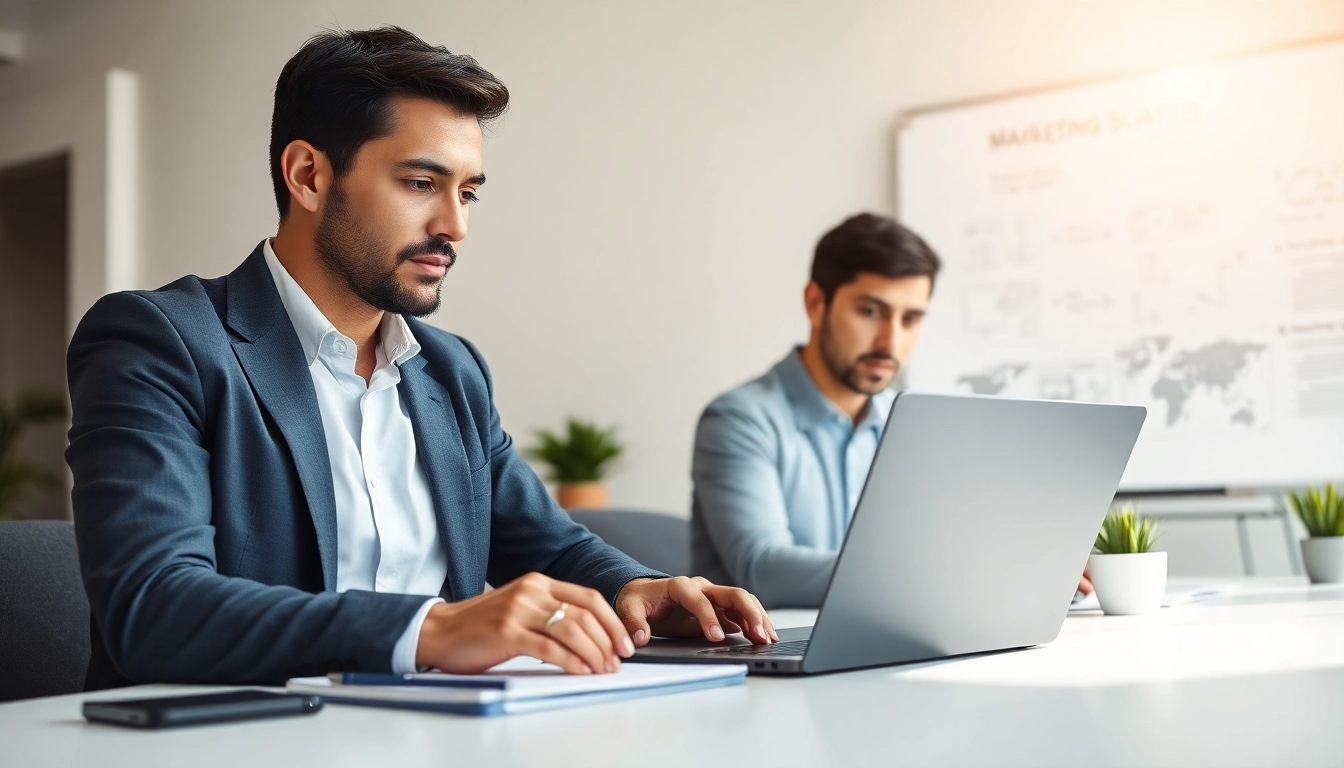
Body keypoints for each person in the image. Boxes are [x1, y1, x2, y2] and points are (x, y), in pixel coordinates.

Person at [67, 27, 776, 690]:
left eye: (466, 193)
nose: (455, 226)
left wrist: (637, 590)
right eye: (420, 184)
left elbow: (547, 544)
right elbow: (153, 607)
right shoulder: (160, 342)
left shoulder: (449, 371)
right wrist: (428, 628)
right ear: (309, 175)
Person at [691, 214, 1097, 607]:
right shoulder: (739, 420)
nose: (891, 341)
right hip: (762, 660)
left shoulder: (913, 422)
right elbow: (762, 569)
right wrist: (955, 574)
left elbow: (948, 546)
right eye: (870, 311)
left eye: (911, 318)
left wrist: (1024, 566)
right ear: (816, 303)